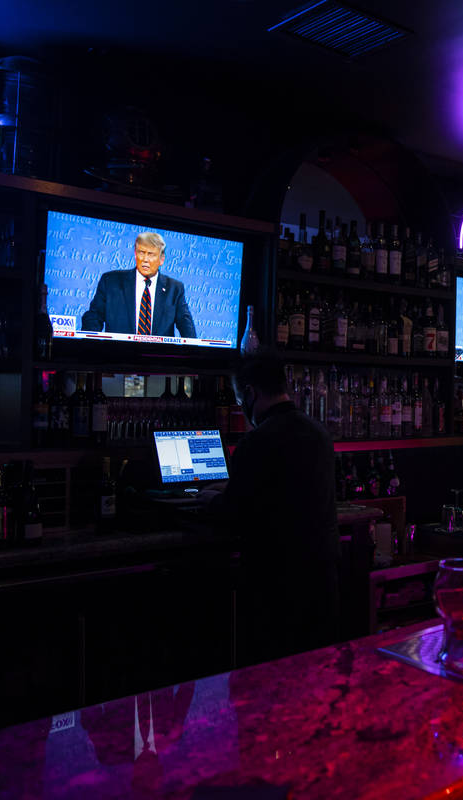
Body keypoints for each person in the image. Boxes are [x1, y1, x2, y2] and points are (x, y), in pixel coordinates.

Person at [209, 351, 339, 666]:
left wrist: (211, 500)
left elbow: (234, 516)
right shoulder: (319, 433)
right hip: (321, 588)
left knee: (266, 691)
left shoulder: (256, 442)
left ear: (251, 393)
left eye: (241, 399)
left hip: (275, 595)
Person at [81, 231, 197, 338]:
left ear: (162, 259)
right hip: (117, 355)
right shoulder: (111, 281)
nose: (145, 259)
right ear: (135, 254)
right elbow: (93, 318)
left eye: (151, 254)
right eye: (141, 253)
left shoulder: (174, 288)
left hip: (159, 358)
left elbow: (186, 326)